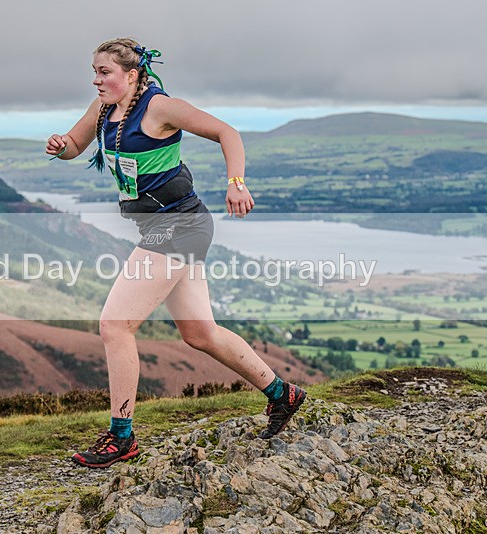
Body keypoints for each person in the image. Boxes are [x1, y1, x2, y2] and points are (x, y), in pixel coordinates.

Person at [46, 37, 306, 469]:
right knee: (200, 333)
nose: (96, 80)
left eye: (104, 72)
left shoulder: (160, 107)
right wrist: (60, 147)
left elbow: (228, 133)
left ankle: (122, 436)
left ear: (131, 75)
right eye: (93, 72)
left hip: (178, 226)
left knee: (114, 325)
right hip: (163, 226)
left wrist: (236, 184)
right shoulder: (106, 109)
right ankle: (284, 394)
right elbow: (76, 145)